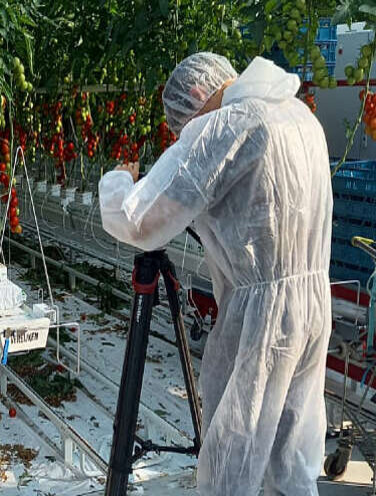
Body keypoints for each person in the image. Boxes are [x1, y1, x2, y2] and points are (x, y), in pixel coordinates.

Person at [99, 52, 332, 496]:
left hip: (262, 318)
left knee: (233, 462)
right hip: (313, 301)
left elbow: (140, 220)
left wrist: (119, 182)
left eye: (183, 125)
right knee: (291, 462)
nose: (185, 134)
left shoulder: (226, 126)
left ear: (197, 95)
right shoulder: (299, 116)